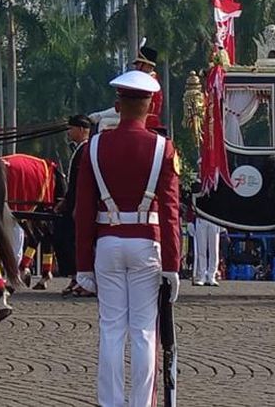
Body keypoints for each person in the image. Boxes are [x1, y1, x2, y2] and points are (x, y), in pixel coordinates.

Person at [74, 70, 180, 406]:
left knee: (111, 329)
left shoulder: (93, 147)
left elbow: (83, 212)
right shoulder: (163, 148)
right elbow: (171, 212)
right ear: (150, 106)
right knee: (144, 332)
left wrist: (82, 266)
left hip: (107, 243)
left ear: (117, 105)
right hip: (147, 244)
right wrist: (173, 264)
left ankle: (110, 403)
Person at [88, 40, 163, 131]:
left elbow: (127, 107)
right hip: (138, 117)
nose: (136, 67)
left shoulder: (147, 83)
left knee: (104, 123)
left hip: (145, 120)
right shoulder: (148, 80)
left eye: (138, 64)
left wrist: (99, 115)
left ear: (147, 65)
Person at [54, 114, 90, 295]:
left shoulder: (86, 150)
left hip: (79, 204)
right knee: (63, 236)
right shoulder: (80, 149)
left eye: (72, 128)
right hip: (73, 201)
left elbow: (81, 183)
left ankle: (81, 278)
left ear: (82, 130)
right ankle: (75, 276)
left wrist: (72, 203)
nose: (69, 132)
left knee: (71, 239)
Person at [191, 211, 222, 286]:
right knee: (201, 249)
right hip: (201, 218)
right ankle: (202, 276)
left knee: (214, 250)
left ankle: (212, 276)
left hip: (215, 218)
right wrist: (190, 220)